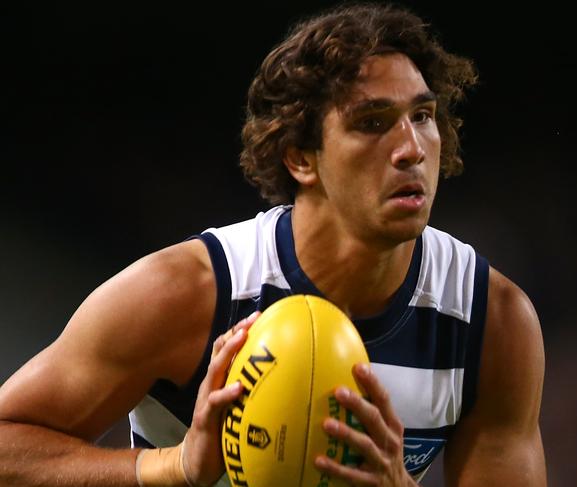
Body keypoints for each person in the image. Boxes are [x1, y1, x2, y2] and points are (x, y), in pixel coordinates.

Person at [0, 3, 546, 486]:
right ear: (300, 157)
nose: (411, 148)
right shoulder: (185, 293)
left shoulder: (491, 322)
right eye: (372, 122)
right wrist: (176, 467)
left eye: (422, 116)